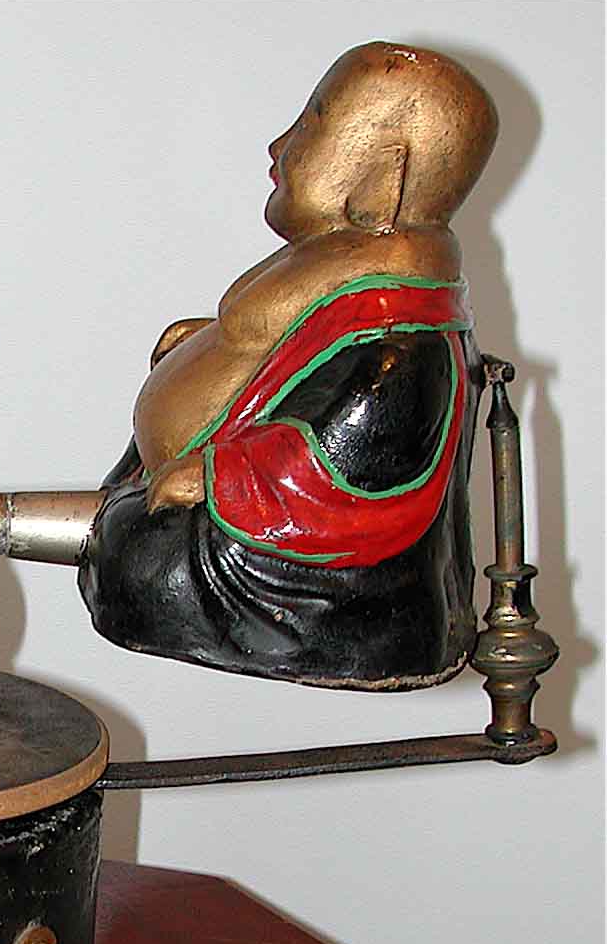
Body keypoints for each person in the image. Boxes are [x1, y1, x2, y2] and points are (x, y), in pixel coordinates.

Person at [79, 42, 499, 689]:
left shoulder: (402, 340)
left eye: (310, 125)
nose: (278, 145)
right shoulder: (340, 268)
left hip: (313, 575)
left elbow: (355, 449)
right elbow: (291, 352)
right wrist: (209, 348)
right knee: (126, 523)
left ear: (384, 179)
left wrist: (224, 477)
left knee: (143, 556)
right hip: (196, 480)